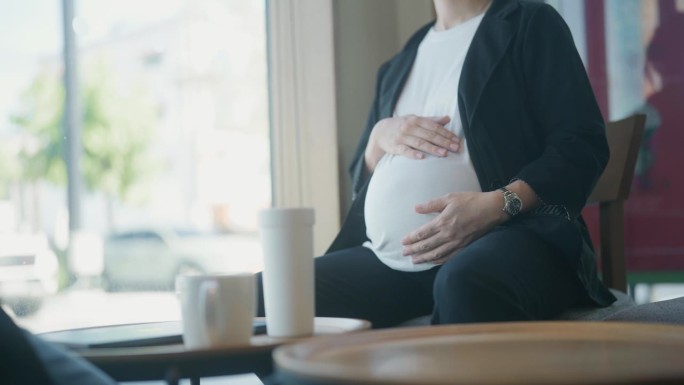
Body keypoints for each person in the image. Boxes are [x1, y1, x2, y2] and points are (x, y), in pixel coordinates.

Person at [256, 0, 616, 328]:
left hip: (511, 242)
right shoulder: (398, 64)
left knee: (464, 281)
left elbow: (581, 145)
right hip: (392, 264)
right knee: (272, 294)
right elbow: (361, 178)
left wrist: (498, 204)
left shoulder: (529, 23)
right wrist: (378, 138)